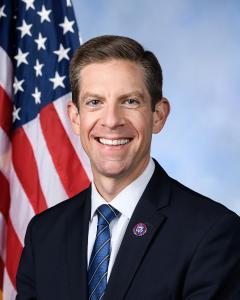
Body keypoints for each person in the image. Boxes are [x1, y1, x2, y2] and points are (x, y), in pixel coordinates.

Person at [16, 35, 240, 300]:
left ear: (158, 115)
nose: (111, 121)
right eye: (94, 102)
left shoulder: (213, 232)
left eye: (130, 101)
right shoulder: (44, 233)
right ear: (75, 118)